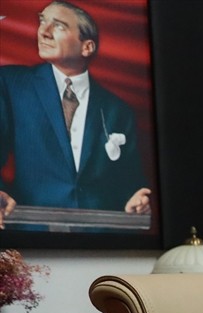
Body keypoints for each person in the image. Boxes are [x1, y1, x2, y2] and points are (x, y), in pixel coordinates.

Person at [0, 1, 151, 228]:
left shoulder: (117, 109)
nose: (43, 31)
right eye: (42, 21)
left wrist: (135, 199)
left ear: (87, 47)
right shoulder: (11, 84)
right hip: (30, 236)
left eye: (58, 26)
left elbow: (129, 181)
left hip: (99, 240)